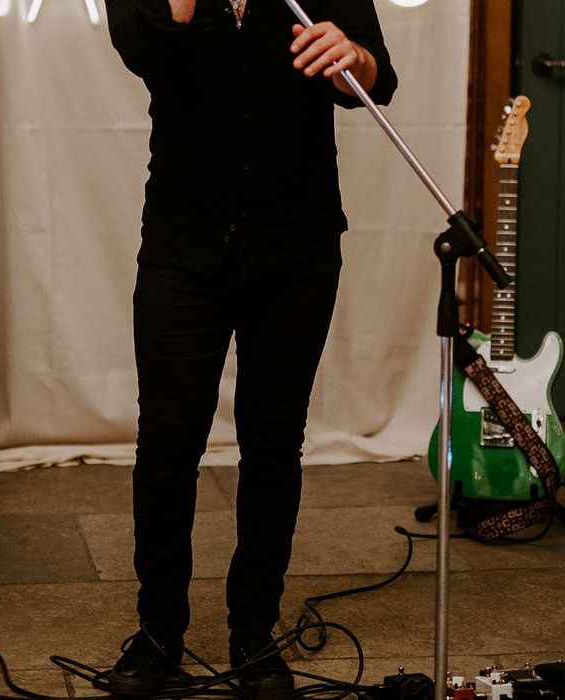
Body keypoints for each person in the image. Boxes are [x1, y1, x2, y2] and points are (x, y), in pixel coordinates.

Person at [103, 0, 397, 697]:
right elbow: (148, 50)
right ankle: (157, 635)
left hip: (297, 247)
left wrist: (353, 57)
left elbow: (375, 82)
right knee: (169, 442)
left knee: (272, 441)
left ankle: (254, 633)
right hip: (183, 247)